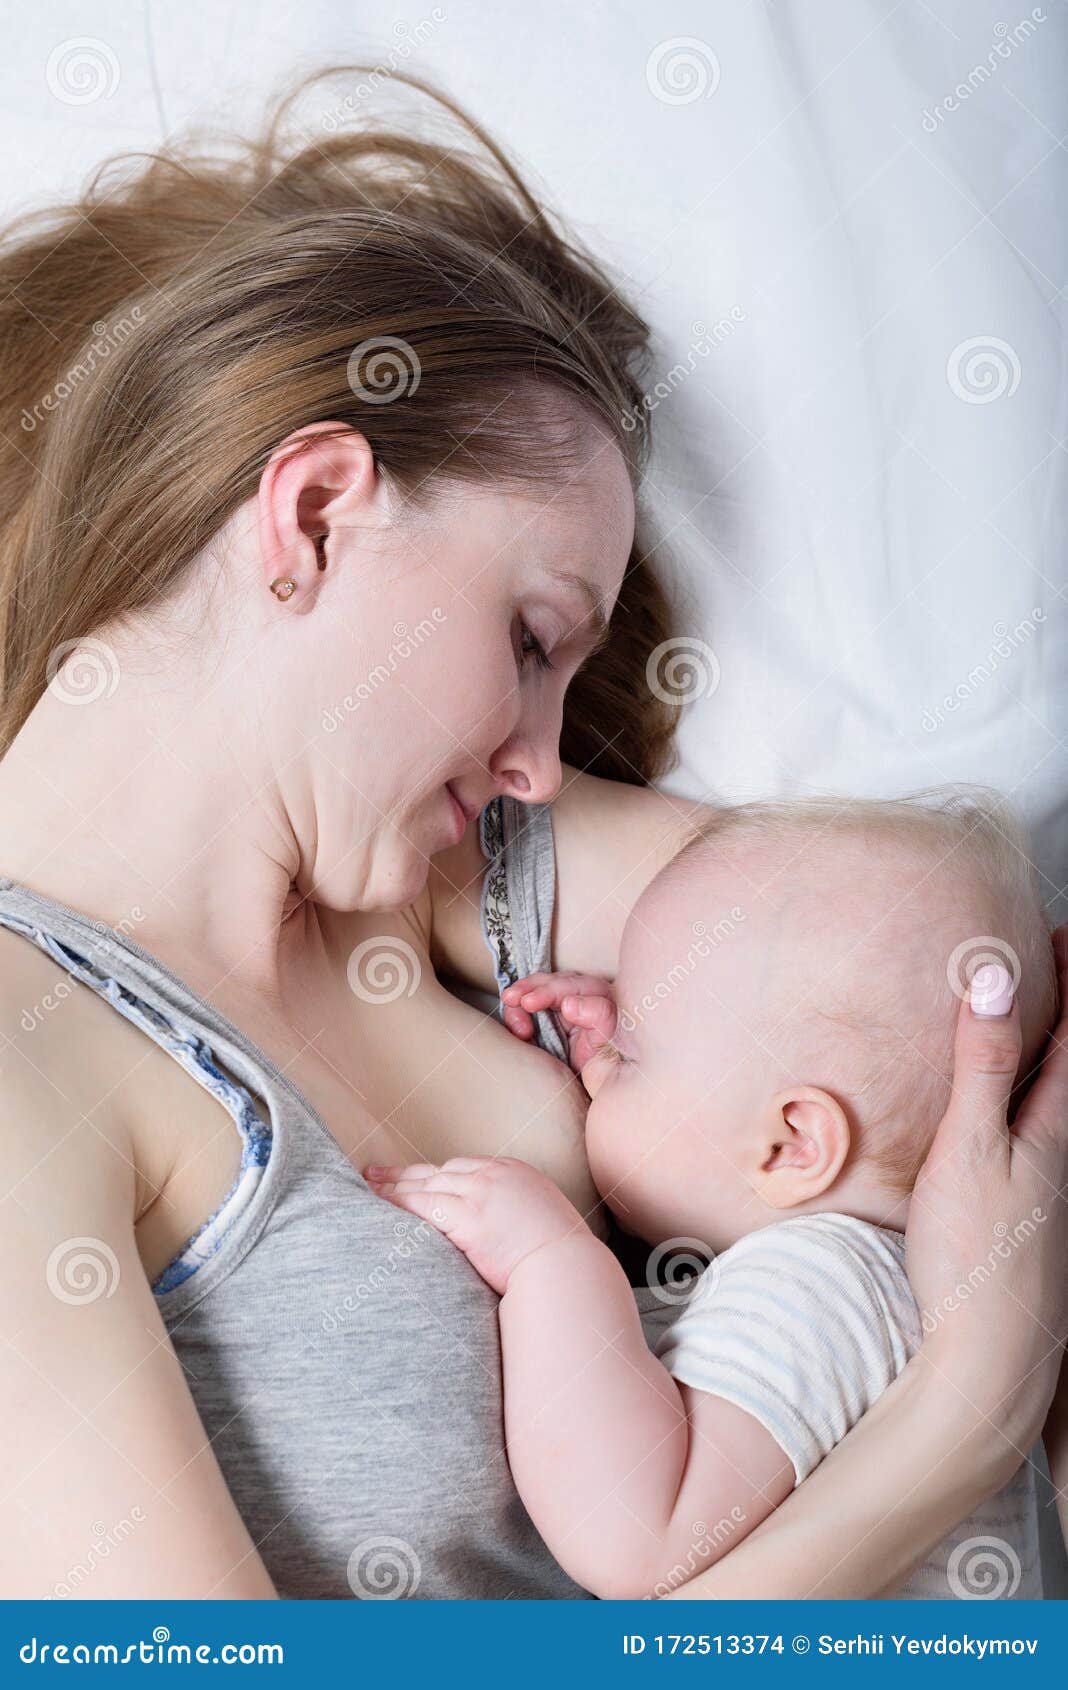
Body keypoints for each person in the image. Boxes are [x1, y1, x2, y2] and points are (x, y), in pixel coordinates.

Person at [0, 68, 1065, 1600]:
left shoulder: (448, 874)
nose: (543, 761)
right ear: (313, 514)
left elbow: (955, 1007)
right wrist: (963, 1416)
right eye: (528, 637)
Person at [370, 791, 1064, 1598]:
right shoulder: (900, 1294)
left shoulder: (816, 1291)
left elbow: (640, 1545)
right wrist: (641, 1047)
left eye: (628, 1049)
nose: (589, 1061)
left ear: (792, 1145)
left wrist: (552, 1264)